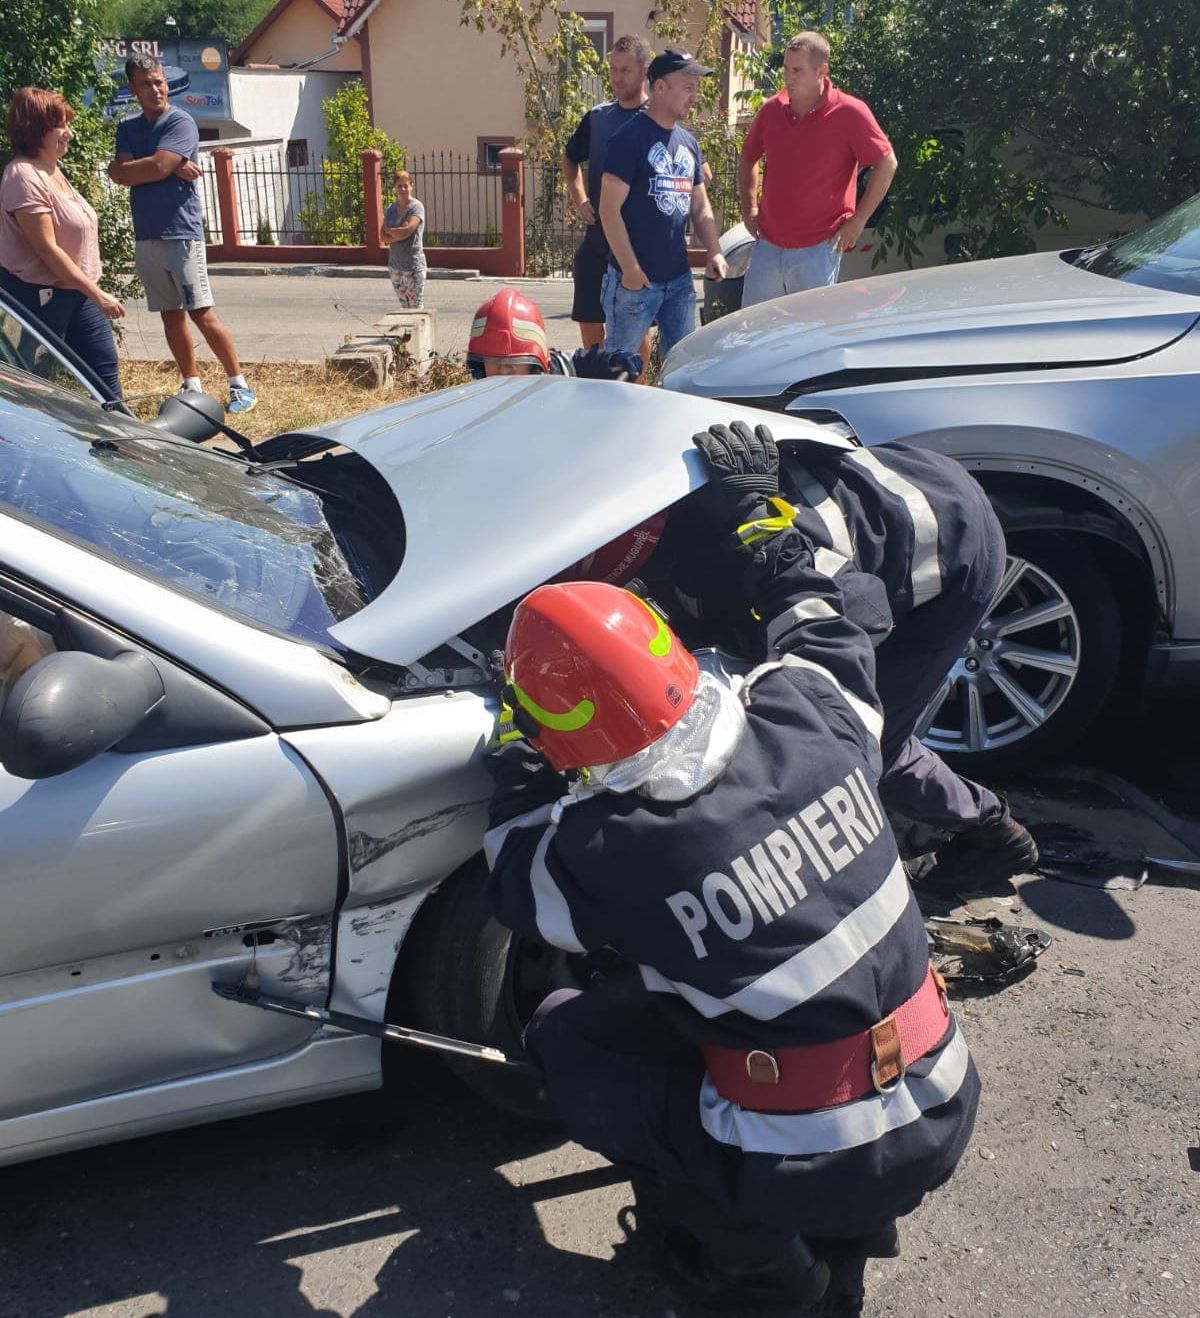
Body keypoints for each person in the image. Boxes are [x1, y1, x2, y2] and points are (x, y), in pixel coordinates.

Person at [484, 422, 979, 1306]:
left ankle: (758, 1263)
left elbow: (516, 876)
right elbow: (828, 616)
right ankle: (857, 1221)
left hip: (811, 1158)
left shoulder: (614, 847)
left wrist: (514, 739)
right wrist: (758, 519)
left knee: (568, 1031)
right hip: (944, 1092)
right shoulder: (811, 716)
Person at [671, 424, 1039, 891]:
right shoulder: (673, 513)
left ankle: (994, 832)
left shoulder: (770, 549)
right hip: (909, 481)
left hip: (957, 548)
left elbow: (856, 629)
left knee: (863, 736)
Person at [107, 55, 257, 415]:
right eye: (146, 83)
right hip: (147, 234)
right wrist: (158, 167)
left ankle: (239, 385)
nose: (156, 89)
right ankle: (191, 384)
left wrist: (153, 167)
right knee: (170, 315)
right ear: (133, 89)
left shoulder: (181, 121)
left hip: (181, 232)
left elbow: (153, 166)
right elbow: (119, 173)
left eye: (159, 81)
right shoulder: (127, 127)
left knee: (201, 313)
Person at [738, 31, 898, 307]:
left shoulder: (850, 112)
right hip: (768, 246)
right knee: (754, 336)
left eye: (797, 70)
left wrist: (859, 220)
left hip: (818, 249)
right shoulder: (771, 110)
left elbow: (887, 162)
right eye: (786, 68)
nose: (788, 77)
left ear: (821, 70)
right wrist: (748, 208)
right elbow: (748, 157)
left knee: (809, 335)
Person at [598, 48, 726, 365]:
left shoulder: (689, 143)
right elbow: (608, 209)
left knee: (682, 369)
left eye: (695, 88)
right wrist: (630, 268)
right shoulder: (629, 138)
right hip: (635, 283)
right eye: (687, 87)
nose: (694, 96)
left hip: (679, 281)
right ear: (660, 88)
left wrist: (714, 250)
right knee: (620, 370)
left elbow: (700, 206)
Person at [0, 88, 124, 399]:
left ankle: (122, 442)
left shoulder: (52, 169)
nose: (68, 133)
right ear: (36, 128)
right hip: (42, 300)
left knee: (104, 371)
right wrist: (97, 294)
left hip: (76, 293)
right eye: (61, 126)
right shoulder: (23, 176)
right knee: (35, 385)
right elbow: (47, 249)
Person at [563, 34, 651, 368]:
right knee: (589, 318)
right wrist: (580, 198)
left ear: (644, 71)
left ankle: (637, 389)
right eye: (613, 69)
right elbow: (570, 159)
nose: (616, 77)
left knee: (638, 325)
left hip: (637, 247)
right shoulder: (597, 118)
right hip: (597, 242)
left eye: (625, 70)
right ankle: (598, 382)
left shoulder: (657, 120)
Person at [466, 287, 640, 381]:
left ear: (537, 363)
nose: (503, 370)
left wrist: (616, 360)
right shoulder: (474, 401)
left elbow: (588, 360)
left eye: (514, 362)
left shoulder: (558, 368)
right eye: (494, 362)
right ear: (479, 366)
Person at [380, 170, 425, 308]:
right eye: (399, 186)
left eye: (406, 185)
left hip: (413, 265)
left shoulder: (416, 207)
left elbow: (407, 231)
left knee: (416, 306)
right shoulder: (391, 209)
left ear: (412, 185)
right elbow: (383, 237)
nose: (403, 189)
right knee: (404, 307)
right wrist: (395, 233)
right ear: (394, 188)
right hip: (395, 267)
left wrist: (391, 231)